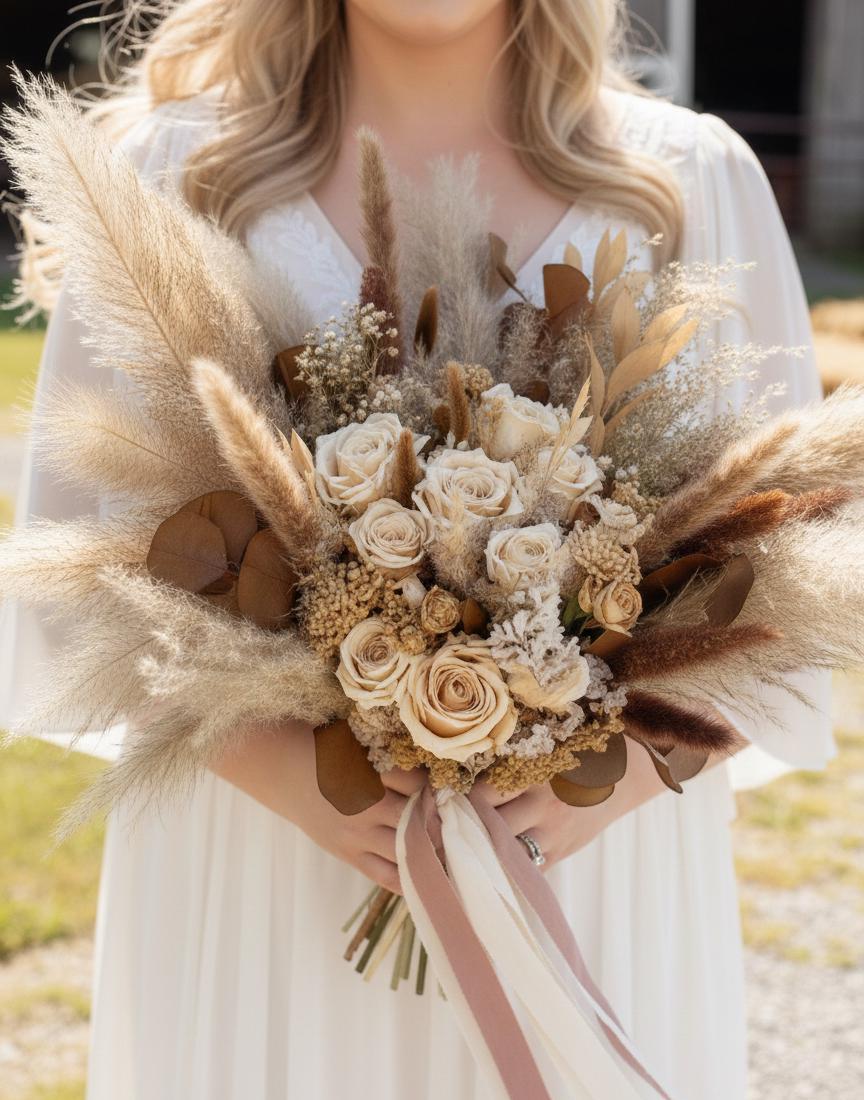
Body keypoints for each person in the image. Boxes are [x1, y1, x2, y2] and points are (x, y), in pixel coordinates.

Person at [1, 2, 835, 1097]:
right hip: (264, 870)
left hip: (584, 868)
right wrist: (288, 772)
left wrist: (618, 770)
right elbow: (77, 567)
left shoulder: (689, 179)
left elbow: (792, 567)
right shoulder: (176, 172)